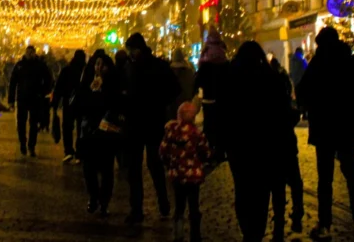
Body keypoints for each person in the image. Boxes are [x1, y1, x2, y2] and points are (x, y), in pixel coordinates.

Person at [296, 27, 354, 241]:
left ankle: (325, 224)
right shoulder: (350, 61)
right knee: (352, 175)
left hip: (324, 127)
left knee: (325, 179)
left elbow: (302, 90)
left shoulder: (318, 64)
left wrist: (311, 107)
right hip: (345, 125)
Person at [219, 41, 289, 242]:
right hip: (266, 145)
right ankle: (257, 230)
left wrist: (224, 141)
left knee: (242, 187)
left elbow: (223, 113)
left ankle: (248, 229)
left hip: (239, 145)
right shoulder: (271, 78)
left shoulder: (231, 78)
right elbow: (282, 112)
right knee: (261, 189)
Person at [122, 32, 180, 224]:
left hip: (149, 121)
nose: (130, 54)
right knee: (139, 167)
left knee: (152, 165)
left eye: (131, 50)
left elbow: (174, 89)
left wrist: (159, 102)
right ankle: (140, 208)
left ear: (139, 49)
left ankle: (159, 203)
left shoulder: (156, 66)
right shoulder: (131, 66)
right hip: (140, 122)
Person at [72, 49, 121, 216]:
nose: (99, 67)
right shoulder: (87, 81)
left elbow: (116, 104)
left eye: (102, 64)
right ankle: (93, 197)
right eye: (97, 64)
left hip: (107, 132)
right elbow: (79, 101)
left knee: (107, 169)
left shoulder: (113, 83)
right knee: (89, 168)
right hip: (89, 130)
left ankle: (104, 202)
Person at [159, 99, 212, 242]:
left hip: (177, 175)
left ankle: (178, 233)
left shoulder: (171, 132)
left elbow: (163, 151)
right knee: (194, 206)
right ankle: (195, 235)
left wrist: (169, 163)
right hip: (193, 177)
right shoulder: (196, 134)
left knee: (179, 206)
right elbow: (205, 152)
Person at [271, 55, 304, 238]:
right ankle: (298, 212)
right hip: (288, 148)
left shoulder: (267, 105)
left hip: (274, 150)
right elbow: (294, 116)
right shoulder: (284, 103)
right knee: (295, 182)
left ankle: (279, 219)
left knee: (277, 187)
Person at [8, 45, 53, 157]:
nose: (29, 54)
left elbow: (49, 80)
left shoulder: (40, 65)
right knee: (21, 123)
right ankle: (23, 143)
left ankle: (31, 146)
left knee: (34, 123)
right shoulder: (19, 65)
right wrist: (11, 100)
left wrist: (42, 93)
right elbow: (12, 83)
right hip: (22, 99)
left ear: (34, 53)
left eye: (31, 52)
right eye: (27, 52)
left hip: (35, 99)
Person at [194, 29, 228, 158]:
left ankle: (209, 149)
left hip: (208, 98)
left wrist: (197, 89)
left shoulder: (205, 58)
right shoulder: (223, 57)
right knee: (220, 124)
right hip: (221, 98)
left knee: (209, 123)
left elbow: (199, 78)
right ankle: (220, 150)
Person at [53, 49, 87, 162]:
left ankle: (68, 150)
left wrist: (55, 103)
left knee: (67, 127)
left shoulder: (67, 70)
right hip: (82, 104)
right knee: (80, 128)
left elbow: (58, 88)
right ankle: (80, 152)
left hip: (69, 103)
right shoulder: (86, 71)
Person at [170, 48, 197, 118]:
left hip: (172, 106)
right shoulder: (189, 72)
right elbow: (193, 89)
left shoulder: (169, 72)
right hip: (186, 106)